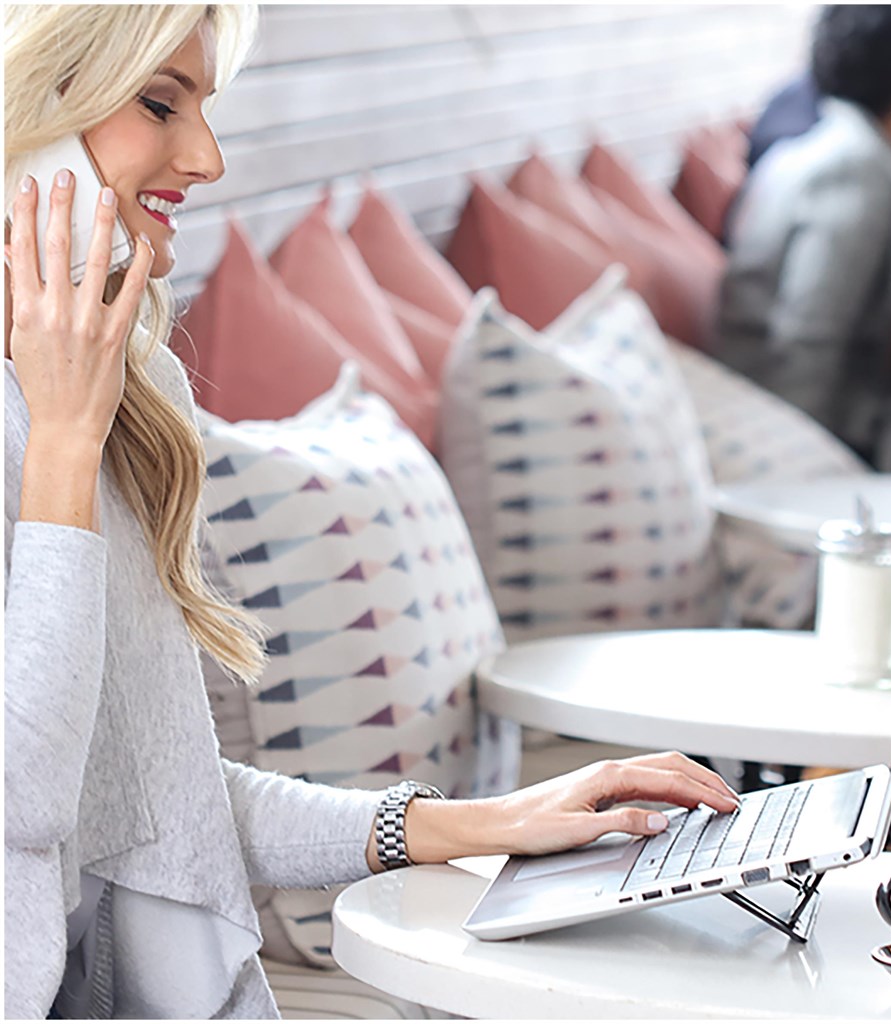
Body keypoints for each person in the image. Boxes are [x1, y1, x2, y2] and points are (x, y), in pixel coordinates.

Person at [2, 6, 740, 1020]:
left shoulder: (126, 390)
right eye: (160, 104)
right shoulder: (64, 421)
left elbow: (156, 801)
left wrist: (494, 820)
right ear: (30, 120)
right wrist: (63, 445)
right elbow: (21, 801)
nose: (207, 157)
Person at [716, 5, 891, 465]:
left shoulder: (852, 151)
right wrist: (814, 483)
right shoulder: (853, 173)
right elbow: (807, 349)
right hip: (812, 449)